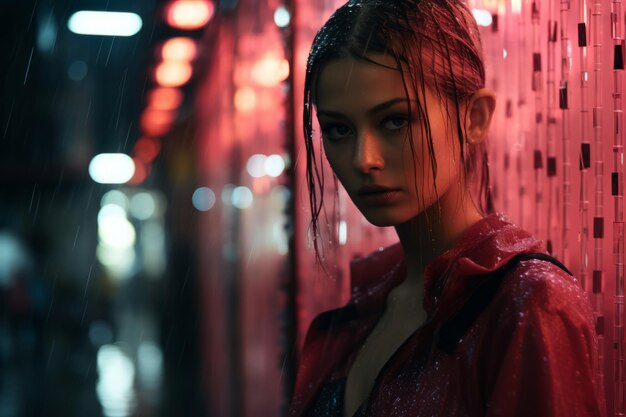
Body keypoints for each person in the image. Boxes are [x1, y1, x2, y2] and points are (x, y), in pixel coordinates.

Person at [288, 1, 607, 416]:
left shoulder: (529, 303)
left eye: (395, 121)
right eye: (339, 129)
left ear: (474, 117)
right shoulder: (364, 307)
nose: (363, 159)